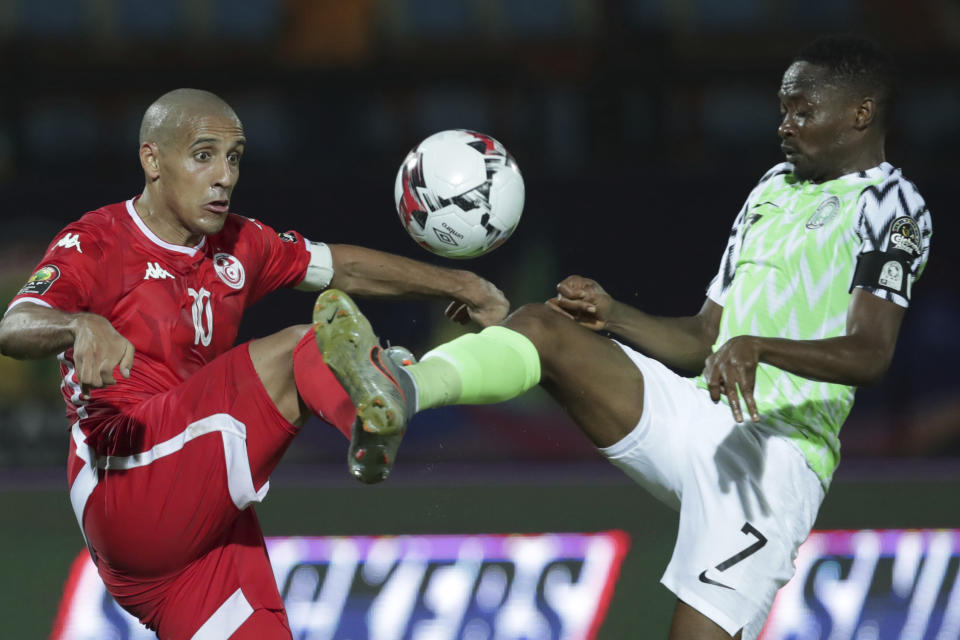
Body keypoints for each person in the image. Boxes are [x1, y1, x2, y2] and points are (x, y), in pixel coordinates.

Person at [315, 35, 932, 638]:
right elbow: (703, 337)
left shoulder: (894, 207)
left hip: (773, 463)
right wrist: (611, 316)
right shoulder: (771, 190)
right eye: (781, 110)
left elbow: (869, 353)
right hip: (701, 418)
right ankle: (402, 389)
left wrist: (762, 348)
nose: (784, 125)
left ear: (861, 113)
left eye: (803, 110)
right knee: (543, 326)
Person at [0, 89, 508, 638]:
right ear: (152, 160)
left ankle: (374, 396)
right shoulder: (96, 242)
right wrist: (77, 325)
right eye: (203, 155)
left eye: (234, 156)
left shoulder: (241, 243)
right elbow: (15, 325)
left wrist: (462, 284)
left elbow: (345, 269)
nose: (224, 176)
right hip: (126, 481)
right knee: (300, 349)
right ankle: (371, 410)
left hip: (193, 538)